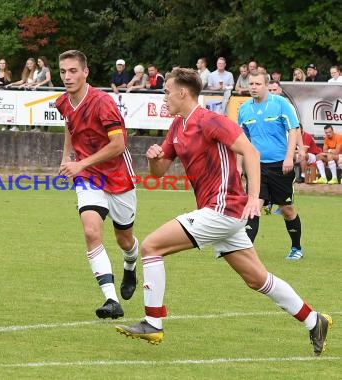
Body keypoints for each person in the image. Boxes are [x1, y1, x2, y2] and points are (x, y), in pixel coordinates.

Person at [114, 68, 332, 356]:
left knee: (152, 246)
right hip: (217, 212)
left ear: (182, 92)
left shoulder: (211, 121)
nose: (164, 96)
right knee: (258, 279)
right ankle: (313, 320)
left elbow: (251, 153)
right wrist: (153, 158)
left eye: (167, 91)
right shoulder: (178, 127)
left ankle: (153, 322)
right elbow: (160, 170)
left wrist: (254, 198)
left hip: (224, 209)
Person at [56, 50, 139, 319]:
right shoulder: (63, 102)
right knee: (92, 232)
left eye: (73, 71)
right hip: (89, 177)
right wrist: (68, 157)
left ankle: (130, 264)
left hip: (118, 176)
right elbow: (70, 126)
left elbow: (118, 144)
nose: (67, 77)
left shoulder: (103, 102)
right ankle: (112, 300)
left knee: (125, 239)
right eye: (63, 72)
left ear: (85, 72)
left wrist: (80, 163)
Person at [238, 72, 305, 260]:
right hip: (256, 166)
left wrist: (289, 157)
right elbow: (241, 140)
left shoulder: (281, 104)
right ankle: (245, 250)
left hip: (280, 166)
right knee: (253, 206)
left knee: (287, 209)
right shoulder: (244, 109)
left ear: (266, 85)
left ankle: (296, 247)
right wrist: (239, 166)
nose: (253, 87)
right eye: (251, 83)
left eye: (257, 83)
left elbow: (293, 129)